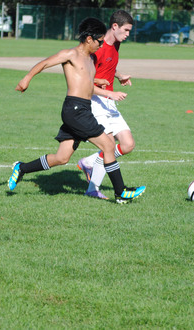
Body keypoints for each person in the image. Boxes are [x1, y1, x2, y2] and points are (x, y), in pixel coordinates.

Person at [8, 17, 145, 203]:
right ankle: (120, 192)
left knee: (62, 157)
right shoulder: (70, 54)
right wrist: (26, 79)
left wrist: (101, 81)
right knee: (109, 145)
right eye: (99, 41)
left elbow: (85, 80)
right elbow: (44, 63)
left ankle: (21, 168)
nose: (100, 45)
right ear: (89, 39)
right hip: (74, 109)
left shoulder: (92, 58)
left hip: (84, 109)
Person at [76, 10, 137, 200]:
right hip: (96, 101)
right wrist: (108, 90)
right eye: (126, 30)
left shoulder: (116, 44)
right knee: (108, 145)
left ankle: (89, 162)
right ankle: (93, 189)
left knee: (127, 145)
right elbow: (86, 82)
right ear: (115, 26)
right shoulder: (96, 48)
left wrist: (119, 76)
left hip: (110, 100)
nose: (128, 35)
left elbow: (109, 65)